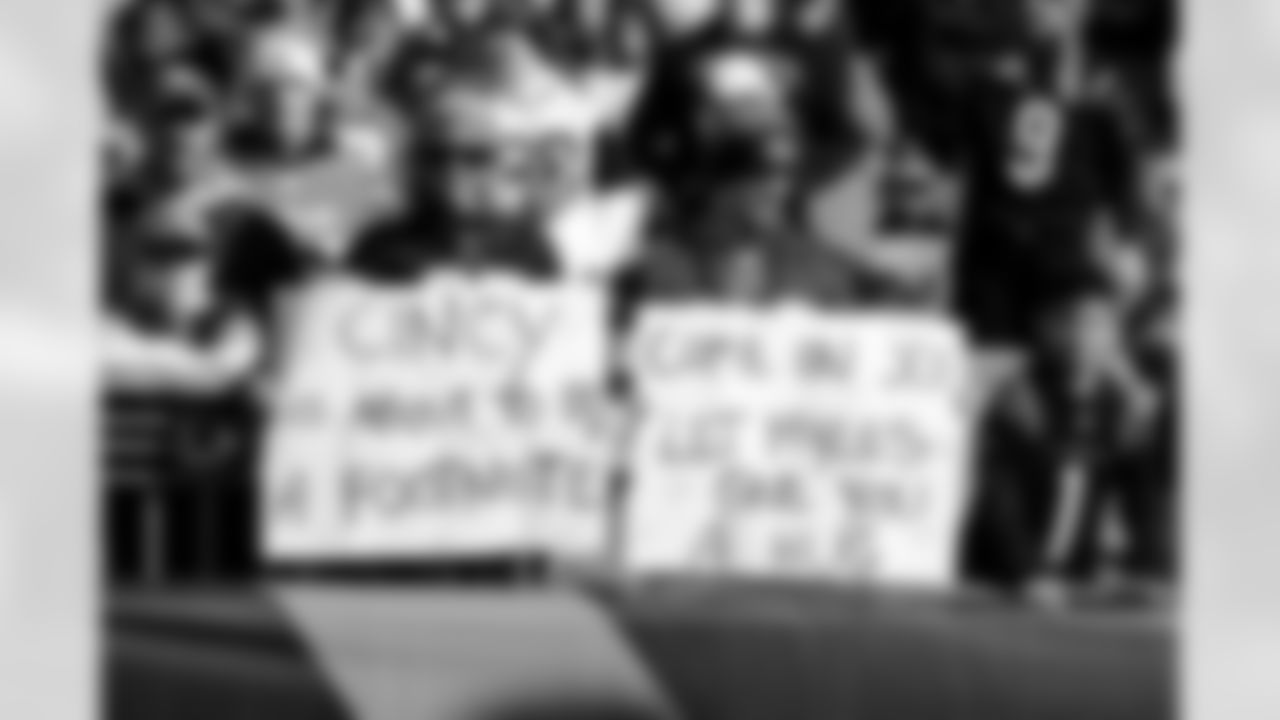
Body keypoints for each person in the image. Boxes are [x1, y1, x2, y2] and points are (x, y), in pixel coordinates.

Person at [951, 0, 1155, 602]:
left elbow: (1128, 201)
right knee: (993, 435)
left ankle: (1101, 557)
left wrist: (1116, 289)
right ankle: (994, 560)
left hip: (1067, 293)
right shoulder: (984, 89)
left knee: (1095, 428)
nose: (1045, 10)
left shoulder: (1107, 96)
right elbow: (965, 188)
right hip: (992, 298)